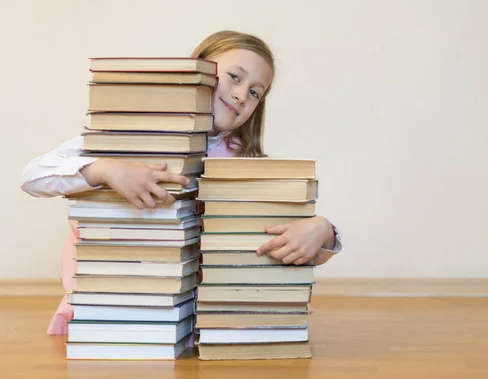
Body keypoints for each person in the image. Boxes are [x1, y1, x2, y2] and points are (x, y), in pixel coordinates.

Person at [21, 30, 342, 335]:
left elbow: (279, 238)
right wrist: (104, 170)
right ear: (197, 70)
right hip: (120, 306)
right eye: (234, 77)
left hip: (207, 321)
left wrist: (322, 229)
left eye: (255, 92)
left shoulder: (246, 164)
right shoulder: (126, 135)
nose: (242, 95)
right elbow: (34, 177)